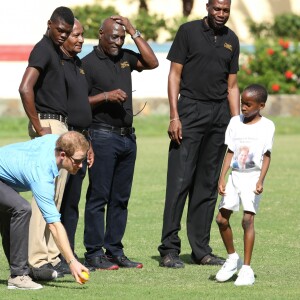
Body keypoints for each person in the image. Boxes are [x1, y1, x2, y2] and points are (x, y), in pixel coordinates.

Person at [158, 0, 240, 268]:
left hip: (220, 118)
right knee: (180, 182)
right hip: (190, 110)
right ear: (207, 6)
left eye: (226, 10)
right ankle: (169, 249)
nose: (221, 14)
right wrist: (174, 115)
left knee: (207, 186)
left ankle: (201, 250)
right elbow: (174, 75)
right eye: (217, 8)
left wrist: (236, 124)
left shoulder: (232, 40)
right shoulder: (188, 32)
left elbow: (232, 86)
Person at [82, 15, 158, 270]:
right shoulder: (88, 64)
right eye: (113, 36)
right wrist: (105, 96)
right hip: (101, 136)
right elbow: (79, 102)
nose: (118, 41)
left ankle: (114, 250)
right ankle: (93, 253)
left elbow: (152, 62)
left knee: (121, 199)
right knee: (98, 197)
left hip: (127, 138)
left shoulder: (125, 57)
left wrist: (133, 30)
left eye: (121, 37)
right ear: (100, 34)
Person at [18, 6, 74, 278]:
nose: (63, 35)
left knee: (55, 195)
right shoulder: (42, 48)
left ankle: (51, 256)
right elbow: (24, 87)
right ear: (49, 24)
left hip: (57, 126)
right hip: (48, 125)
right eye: (60, 30)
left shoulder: (55, 51)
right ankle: (37, 259)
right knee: (44, 195)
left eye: (67, 31)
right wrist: (40, 127)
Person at [0, 131, 90, 290]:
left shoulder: (57, 141)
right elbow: (54, 225)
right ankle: (18, 276)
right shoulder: (42, 174)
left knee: (12, 213)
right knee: (22, 209)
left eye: (82, 160)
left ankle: (22, 271)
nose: (80, 165)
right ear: (63, 155)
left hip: (4, 179)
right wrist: (72, 262)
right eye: (77, 161)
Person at [215, 84, 275, 286]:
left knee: (247, 221)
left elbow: (267, 156)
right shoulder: (234, 122)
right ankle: (233, 258)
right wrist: (222, 177)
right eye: (242, 103)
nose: (244, 107)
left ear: (261, 105)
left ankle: (247, 269)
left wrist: (260, 180)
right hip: (235, 176)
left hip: (252, 177)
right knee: (221, 219)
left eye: (248, 104)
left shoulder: (267, 126)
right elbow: (230, 151)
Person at [59, 19, 94, 272]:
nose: (80, 39)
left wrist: (87, 143)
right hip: (64, 144)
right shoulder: (57, 64)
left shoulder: (79, 65)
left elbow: (83, 107)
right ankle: (51, 256)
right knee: (56, 202)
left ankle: (67, 254)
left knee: (72, 204)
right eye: (76, 35)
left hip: (80, 142)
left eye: (82, 35)